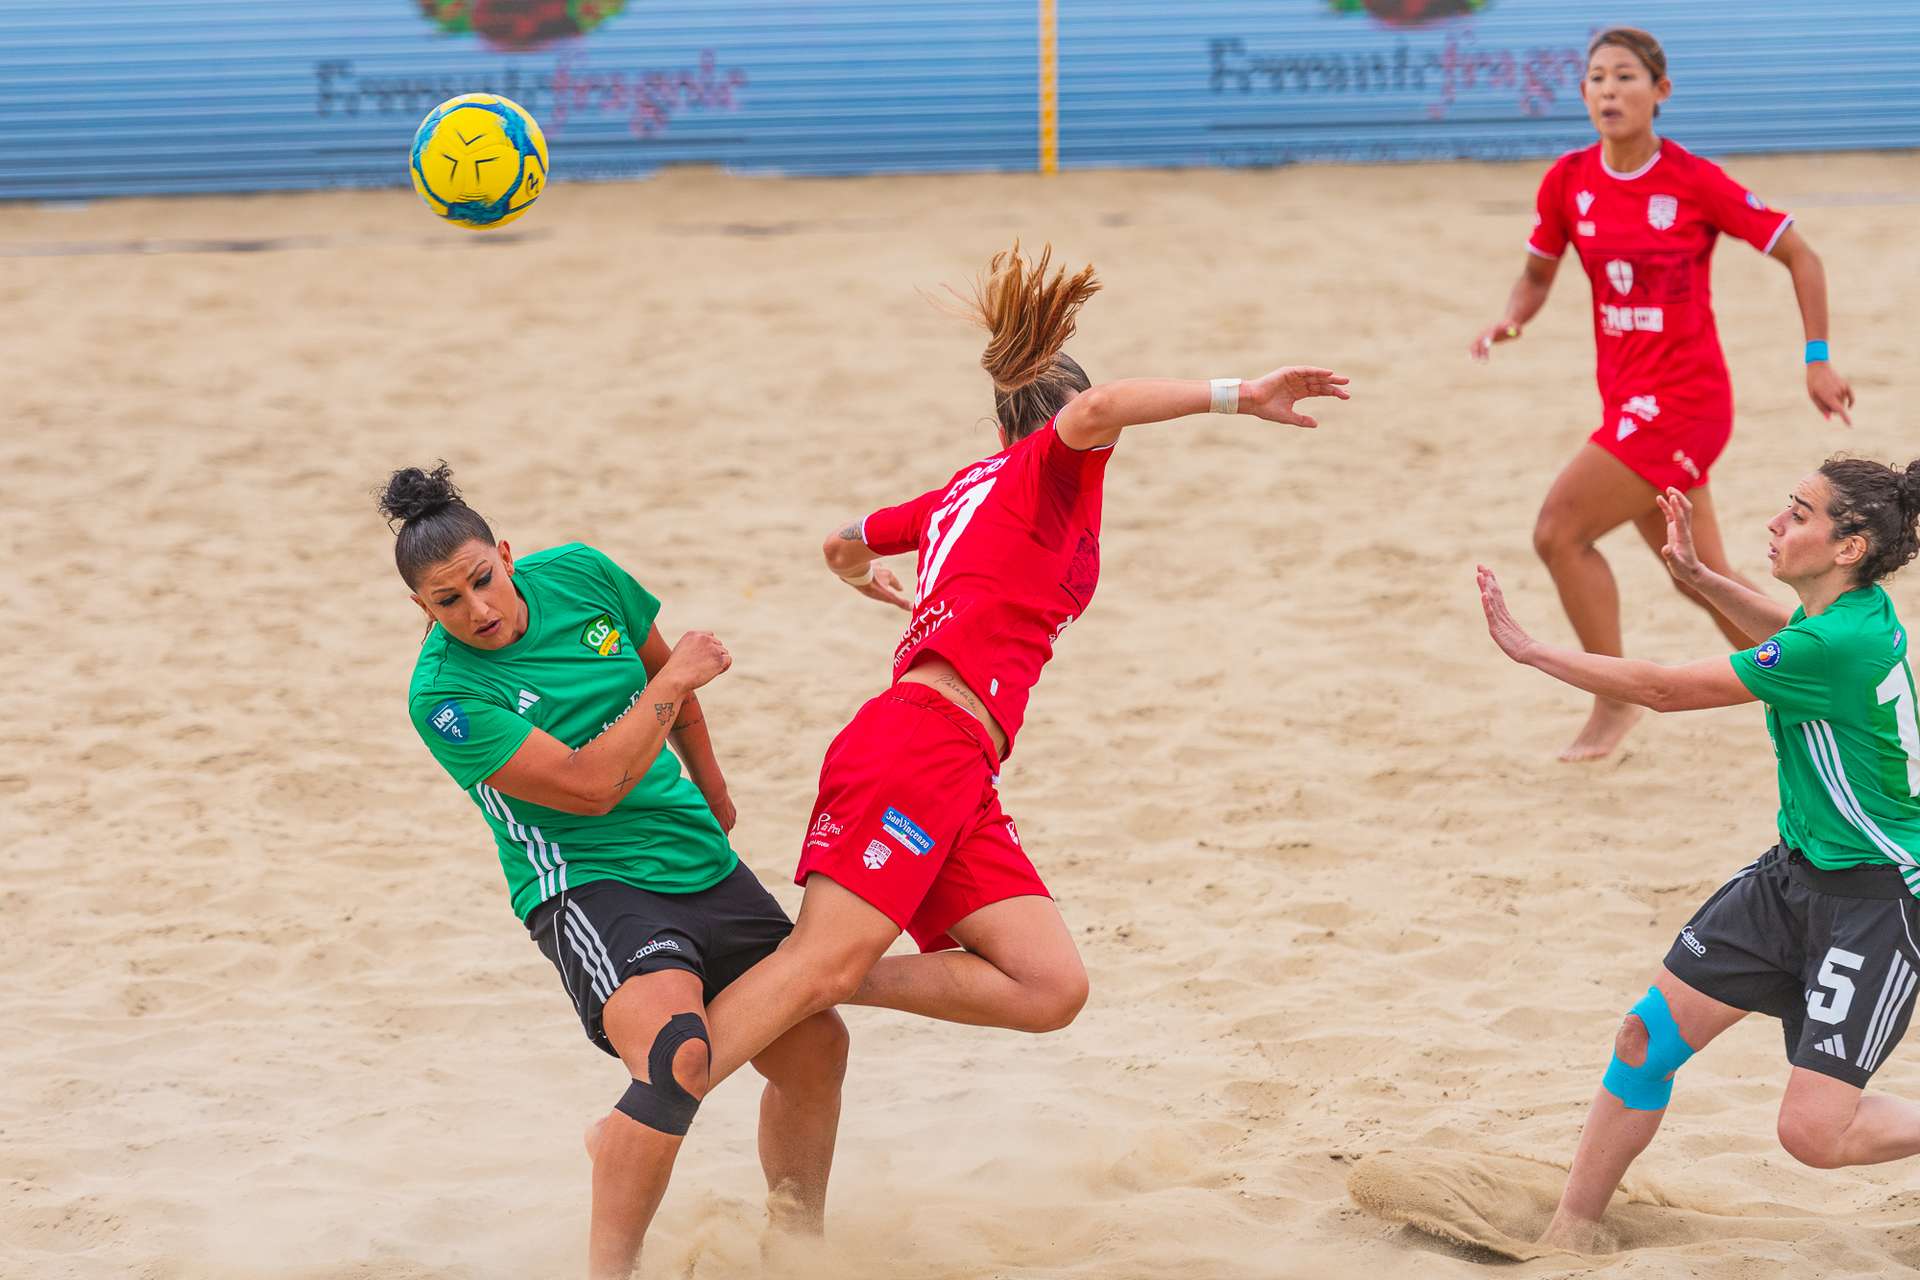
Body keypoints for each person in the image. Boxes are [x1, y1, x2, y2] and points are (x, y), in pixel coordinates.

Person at [689, 241, 1349, 1088]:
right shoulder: (1049, 470)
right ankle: (662, 1097)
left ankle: (798, 980)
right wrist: (1241, 395)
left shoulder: (965, 489)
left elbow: (840, 542)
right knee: (820, 965)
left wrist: (864, 582)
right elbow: (1102, 405)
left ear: (1000, 426)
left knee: (1049, 986)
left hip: (963, 759)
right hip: (921, 740)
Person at [379, 464, 848, 1280]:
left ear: (507, 556)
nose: (477, 610)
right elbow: (591, 786)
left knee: (816, 1046)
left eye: (483, 580)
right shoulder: (444, 699)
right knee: (676, 1058)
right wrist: (674, 678)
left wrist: (714, 792)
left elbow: (676, 694)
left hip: (696, 855)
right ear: (421, 607)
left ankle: (796, 1249)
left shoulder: (583, 574)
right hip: (585, 883)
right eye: (447, 601)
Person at [1477, 455, 1920, 1253]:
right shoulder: (1855, 614)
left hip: (1877, 901)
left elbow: (1664, 690)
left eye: (1799, 514)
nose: (1775, 524)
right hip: (1793, 876)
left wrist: (1532, 650)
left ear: (1849, 547)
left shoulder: (1836, 646)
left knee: (1814, 1136)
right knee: (1644, 1038)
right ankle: (1569, 1233)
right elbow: (1790, 635)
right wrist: (1701, 578)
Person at [1469, 25, 1856, 762]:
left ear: (1660, 91)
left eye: (1626, 77)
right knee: (1697, 575)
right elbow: (1538, 274)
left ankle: (1614, 699)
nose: (1609, 91)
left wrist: (1817, 359)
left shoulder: (1693, 180)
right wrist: (1512, 320)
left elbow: (1802, 255)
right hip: (1626, 400)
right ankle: (1821, 679)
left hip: (1684, 404)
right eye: (1597, 78)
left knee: (1558, 532)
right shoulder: (1568, 180)